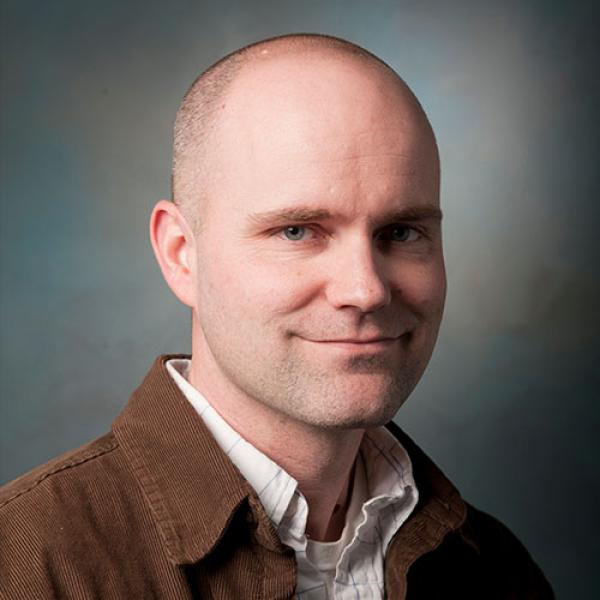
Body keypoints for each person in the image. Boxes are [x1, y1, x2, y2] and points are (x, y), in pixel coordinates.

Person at [0, 34, 553, 599]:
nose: (364, 289)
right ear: (181, 254)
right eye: (297, 231)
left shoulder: (494, 568)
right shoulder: (23, 566)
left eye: (401, 232)